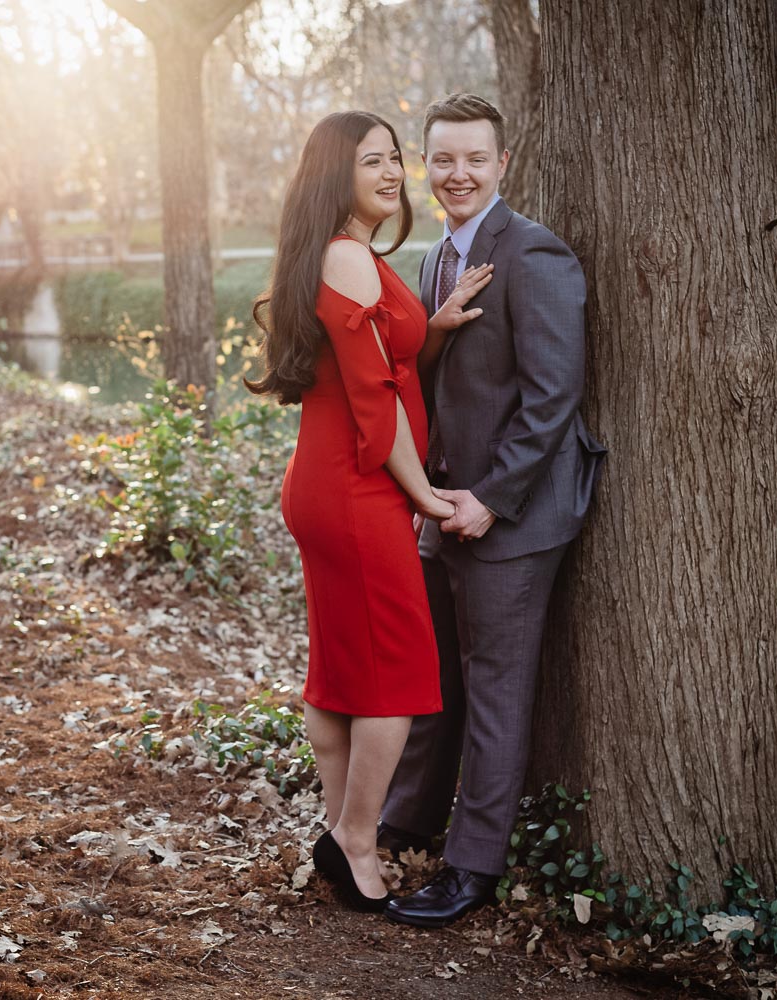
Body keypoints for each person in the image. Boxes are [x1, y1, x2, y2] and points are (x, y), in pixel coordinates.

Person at [245, 111, 491, 912]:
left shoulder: (338, 256)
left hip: (325, 486)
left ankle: (337, 830)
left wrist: (435, 325)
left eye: (394, 160)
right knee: (396, 677)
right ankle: (357, 839)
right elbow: (371, 397)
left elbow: (376, 359)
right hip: (357, 491)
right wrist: (423, 494)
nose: (392, 174)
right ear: (336, 177)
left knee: (340, 668)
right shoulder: (349, 259)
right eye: (372, 162)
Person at [380, 94, 607, 928]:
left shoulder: (535, 253)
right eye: (443, 159)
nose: (458, 173)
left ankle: (471, 867)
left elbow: (554, 399)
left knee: (496, 691)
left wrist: (492, 500)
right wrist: (428, 494)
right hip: (445, 505)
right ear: (425, 165)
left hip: (513, 516)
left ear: (502, 163)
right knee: (436, 680)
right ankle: (406, 819)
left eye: (474, 158)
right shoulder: (441, 255)